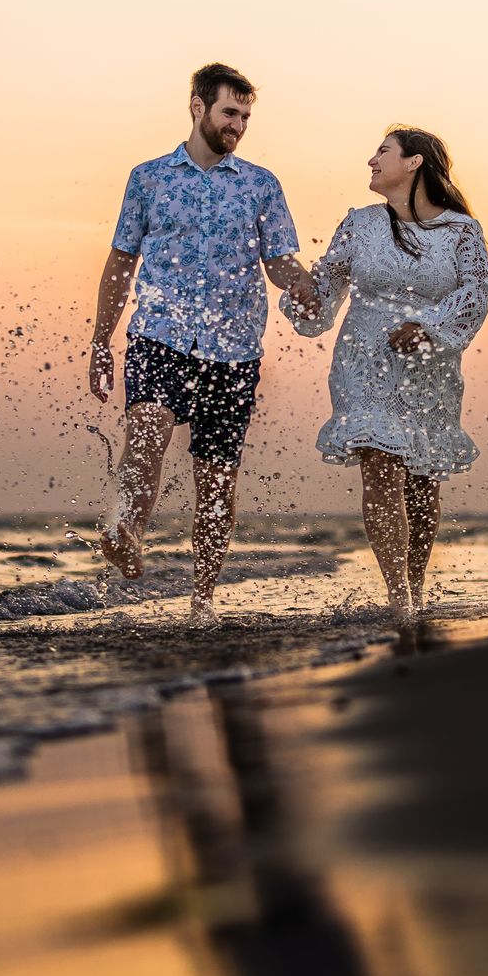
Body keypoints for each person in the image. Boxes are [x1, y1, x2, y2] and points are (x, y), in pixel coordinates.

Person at [86, 63, 320, 621]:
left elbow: (280, 260)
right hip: (159, 334)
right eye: (229, 113)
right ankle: (127, 530)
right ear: (197, 107)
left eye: (245, 116)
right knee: (147, 434)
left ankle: (202, 600)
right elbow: (121, 262)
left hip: (233, 350)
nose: (238, 124)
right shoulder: (148, 178)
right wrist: (101, 341)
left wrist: (308, 285)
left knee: (216, 479)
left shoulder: (261, 184)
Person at [282, 126, 488, 623]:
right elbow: (325, 289)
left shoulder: (461, 231)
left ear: (415, 162)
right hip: (364, 363)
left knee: (421, 482)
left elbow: (476, 290)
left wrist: (430, 328)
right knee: (379, 464)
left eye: (382, 152)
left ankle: (416, 589)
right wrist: (300, 290)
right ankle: (398, 597)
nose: (371, 161)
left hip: (429, 370)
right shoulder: (358, 224)